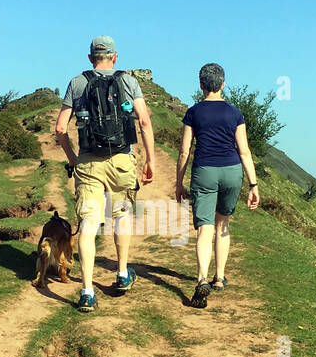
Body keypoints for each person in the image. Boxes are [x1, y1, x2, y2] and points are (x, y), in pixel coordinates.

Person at [55, 36, 155, 312]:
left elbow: (61, 128)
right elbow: (144, 121)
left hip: (88, 162)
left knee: (88, 224)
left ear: (90, 58)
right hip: (122, 159)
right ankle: (122, 274)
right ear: (115, 57)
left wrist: (74, 159)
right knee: (121, 216)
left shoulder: (77, 82)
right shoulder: (128, 81)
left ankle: (87, 292)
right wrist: (150, 161)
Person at [175, 63, 260, 307]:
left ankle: (202, 279)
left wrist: (179, 183)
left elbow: (184, 152)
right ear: (223, 84)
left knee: (205, 228)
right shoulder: (235, 113)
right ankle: (219, 277)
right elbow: (244, 151)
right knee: (223, 223)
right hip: (232, 171)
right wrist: (253, 184)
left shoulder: (193, 113)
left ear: (201, 85)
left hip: (204, 171)